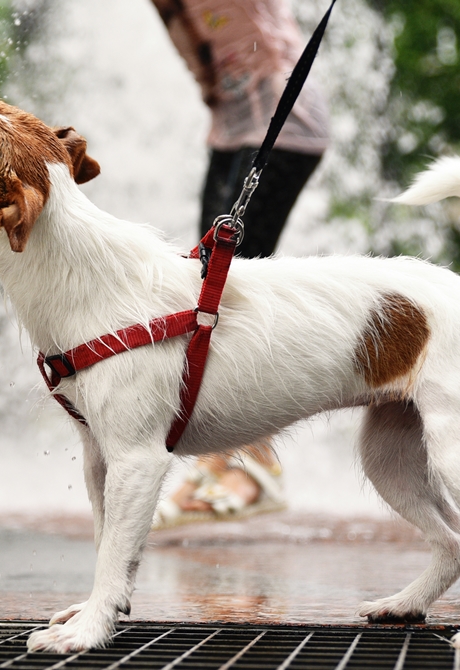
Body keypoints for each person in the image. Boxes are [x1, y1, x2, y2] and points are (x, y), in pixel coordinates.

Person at [149, 0, 330, 526]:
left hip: (284, 121)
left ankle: (252, 464)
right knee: (205, 284)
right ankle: (229, 460)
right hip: (233, 127)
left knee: (224, 287)